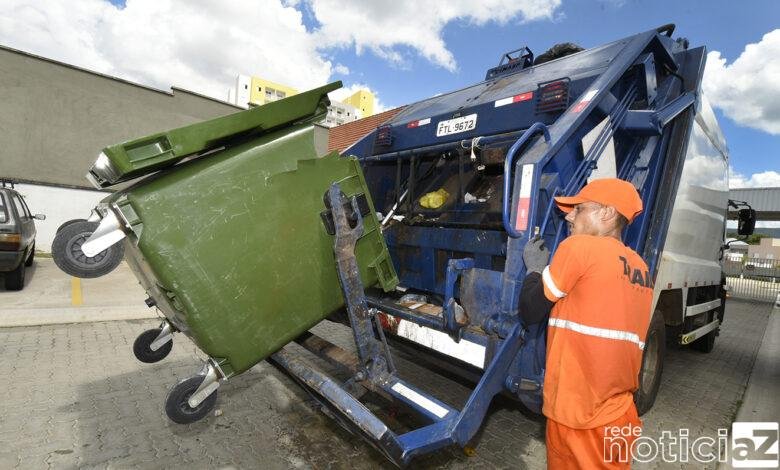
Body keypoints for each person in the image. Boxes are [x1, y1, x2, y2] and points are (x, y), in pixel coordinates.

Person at [519, 178, 653, 469]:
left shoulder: (579, 247)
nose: (568, 216)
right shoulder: (641, 267)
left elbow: (530, 310)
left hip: (578, 414)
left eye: (578, 209)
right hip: (620, 413)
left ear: (606, 213)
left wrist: (534, 269)